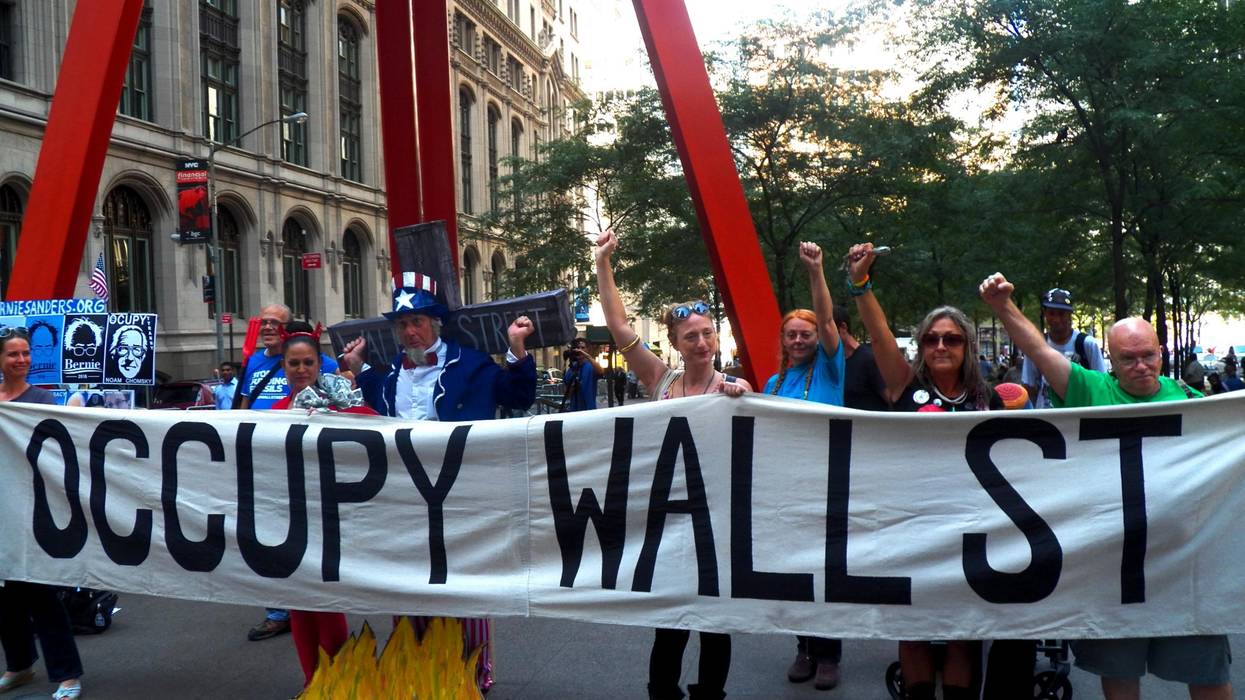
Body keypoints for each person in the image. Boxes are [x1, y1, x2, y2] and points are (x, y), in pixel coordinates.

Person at [980, 272, 1232, 700]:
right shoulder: (1090, 390)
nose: (1141, 366)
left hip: (1184, 566)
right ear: (1110, 361)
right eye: (1128, 359)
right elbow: (1040, 351)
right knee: (1119, 677)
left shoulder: (1192, 403)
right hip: (1115, 570)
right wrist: (1003, 307)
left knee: (1207, 675)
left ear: (1161, 352)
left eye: (1148, 355)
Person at [847, 243, 1032, 700]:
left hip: (972, 529)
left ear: (967, 345)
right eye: (931, 339)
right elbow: (880, 334)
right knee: (913, 628)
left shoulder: (991, 397)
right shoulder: (903, 385)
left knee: (960, 632)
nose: (941, 346)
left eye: (951, 339)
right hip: (911, 525)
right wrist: (861, 284)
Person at [340, 271, 537, 693]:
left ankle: (473, 670)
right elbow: (374, 404)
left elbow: (518, 396)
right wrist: (358, 367)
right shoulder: (389, 374)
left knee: (464, 582)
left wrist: (517, 348)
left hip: (461, 495)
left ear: (436, 324)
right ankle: (415, 662)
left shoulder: (471, 364)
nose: (410, 331)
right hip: (404, 500)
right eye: (402, 324)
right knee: (406, 581)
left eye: (417, 322)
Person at [594, 229, 750, 700]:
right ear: (676, 344)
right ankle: (662, 692)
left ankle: (709, 694)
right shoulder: (661, 380)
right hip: (668, 517)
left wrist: (744, 399)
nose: (701, 342)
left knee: (715, 621)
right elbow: (620, 326)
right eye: (691, 337)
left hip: (717, 521)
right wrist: (603, 263)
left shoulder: (734, 388)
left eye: (707, 333)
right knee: (670, 621)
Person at [269, 322, 369, 687]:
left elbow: (378, 433)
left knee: (326, 603)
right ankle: (312, 683)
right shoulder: (274, 411)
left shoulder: (342, 402)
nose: (301, 370)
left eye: (308, 362)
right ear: (284, 366)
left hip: (331, 519)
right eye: (293, 363)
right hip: (289, 519)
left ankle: (338, 683)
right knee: (299, 605)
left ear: (318, 364)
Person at [765, 243, 846, 691]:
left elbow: (828, 319)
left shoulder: (832, 369)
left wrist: (816, 271)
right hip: (787, 490)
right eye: (792, 335)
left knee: (825, 572)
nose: (799, 341)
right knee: (794, 572)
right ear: (782, 340)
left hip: (826, 485)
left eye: (806, 334)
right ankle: (804, 647)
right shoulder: (773, 384)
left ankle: (829, 653)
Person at [0, 326, 84, 700]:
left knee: (41, 593)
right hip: (1, 512)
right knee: (5, 598)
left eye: (26, 353)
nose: (21, 360)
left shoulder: (41, 400)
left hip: (32, 511)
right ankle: (20, 665)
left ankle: (67, 674)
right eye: (13, 354)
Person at [235, 303, 338, 410]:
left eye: (275, 322)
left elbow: (345, 381)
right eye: (263, 323)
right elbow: (245, 402)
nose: (267, 327)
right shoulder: (252, 361)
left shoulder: (312, 359)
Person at [1022, 288, 1107, 408]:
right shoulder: (1036, 346)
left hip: (1080, 413)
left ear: (1070, 314)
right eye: (1052, 313)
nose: (1056, 319)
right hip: (1046, 414)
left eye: (1061, 313)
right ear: (1045, 313)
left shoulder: (1087, 344)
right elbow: (1029, 385)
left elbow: (1102, 384)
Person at [562, 337, 600, 411]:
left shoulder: (591, 366)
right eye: (578, 348)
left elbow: (601, 371)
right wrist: (572, 386)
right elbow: (567, 394)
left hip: (589, 409)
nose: (580, 350)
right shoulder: (572, 369)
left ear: (587, 349)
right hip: (575, 410)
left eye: (583, 348)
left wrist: (587, 356)